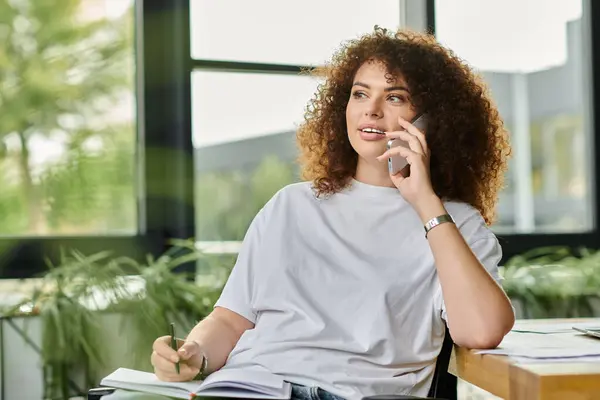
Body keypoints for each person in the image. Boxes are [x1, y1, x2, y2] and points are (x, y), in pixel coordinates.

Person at [150, 27, 515, 400]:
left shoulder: (453, 223)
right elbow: (230, 320)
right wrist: (194, 355)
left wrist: (425, 202)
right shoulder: (290, 206)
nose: (371, 110)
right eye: (360, 93)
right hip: (251, 386)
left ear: (432, 122)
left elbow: (482, 331)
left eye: (394, 97)